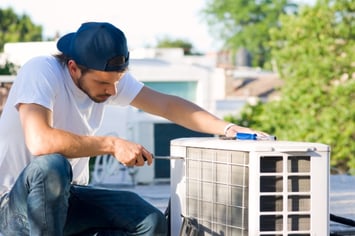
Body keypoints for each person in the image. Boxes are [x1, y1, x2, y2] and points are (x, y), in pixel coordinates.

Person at [0, 22, 267, 236]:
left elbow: (167, 105)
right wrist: (112, 144)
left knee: (150, 221)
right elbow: (40, 141)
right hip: (14, 204)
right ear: (73, 68)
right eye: (104, 83)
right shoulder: (41, 70)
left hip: (69, 200)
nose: (113, 90)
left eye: (117, 81)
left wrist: (228, 128)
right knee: (52, 166)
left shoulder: (108, 80)